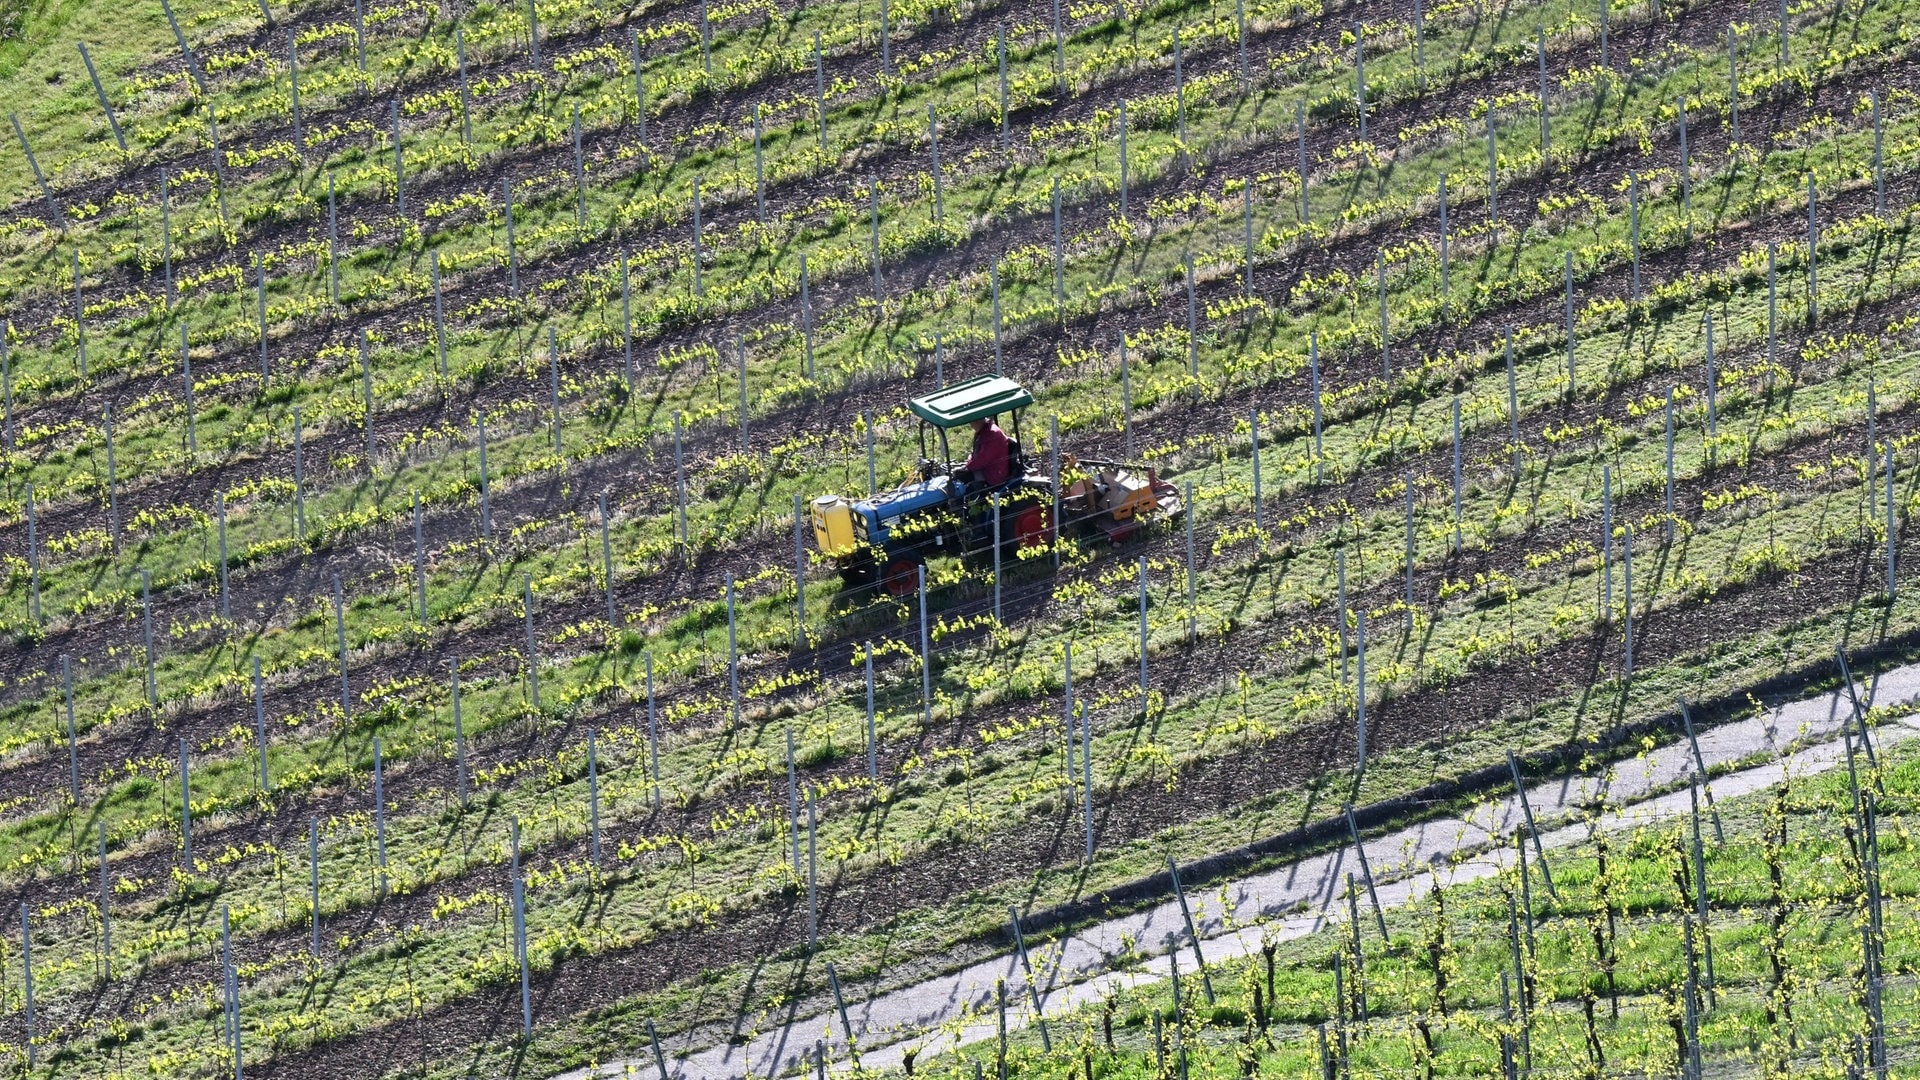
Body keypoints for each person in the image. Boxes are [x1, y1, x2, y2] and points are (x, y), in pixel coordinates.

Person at [962, 416, 1012, 487]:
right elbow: (975, 452)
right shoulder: (983, 431)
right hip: (986, 468)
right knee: (960, 475)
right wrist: (968, 462)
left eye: (971, 423)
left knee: (962, 478)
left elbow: (983, 459)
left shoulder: (992, 434)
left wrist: (967, 468)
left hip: (993, 474)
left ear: (977, 422)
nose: (971, 426)